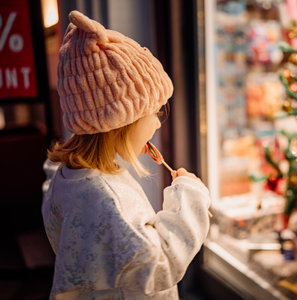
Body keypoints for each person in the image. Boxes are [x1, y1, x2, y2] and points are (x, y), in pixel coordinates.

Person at [42, 11, 211, 300]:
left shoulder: (67, 177)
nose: (158, 123)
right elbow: (158, 265)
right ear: (119, 122)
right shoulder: (108, 198)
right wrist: (189, 199)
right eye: (154, 113)